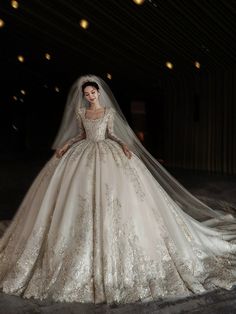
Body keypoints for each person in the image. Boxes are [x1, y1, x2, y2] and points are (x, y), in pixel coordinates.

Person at [0, 74, 236, 304]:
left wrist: (123, 145)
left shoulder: (109, 112)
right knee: (76, 198)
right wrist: (64, 146)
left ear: (99, 92)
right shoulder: (81, 113)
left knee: (118, 198)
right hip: (84, 153)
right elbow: (82, 134)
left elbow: (111, 133)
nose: (90, 96)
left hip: (108, 152)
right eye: (86, 94)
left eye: (92, 92)